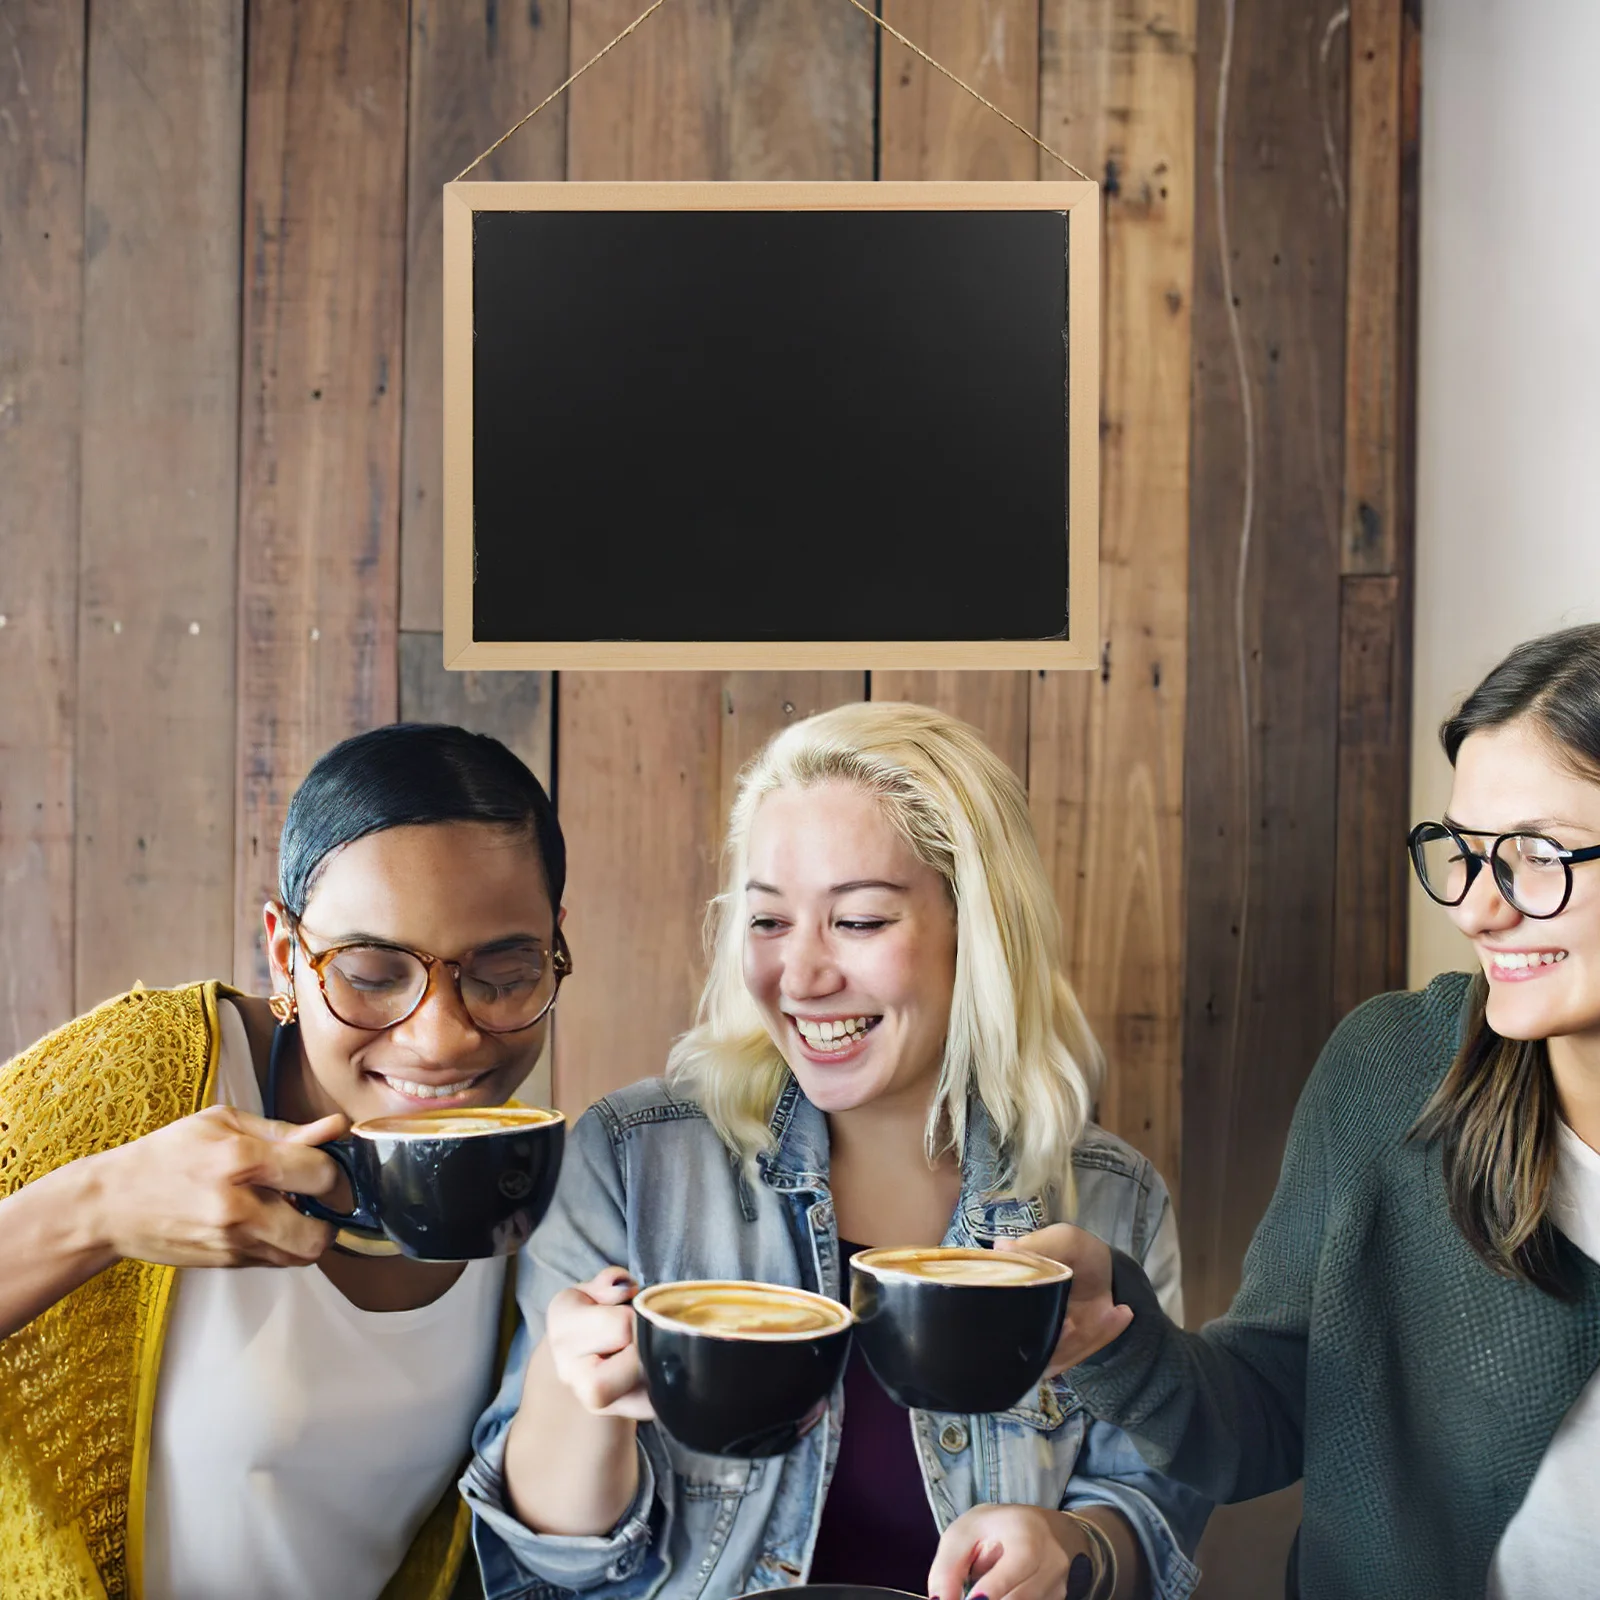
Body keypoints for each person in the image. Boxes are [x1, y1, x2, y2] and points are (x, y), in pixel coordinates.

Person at [464, 702, 1210, 1600]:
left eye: (857, 921)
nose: (802, 976)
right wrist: (573, 1384)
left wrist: (1076, 1543)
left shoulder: (1110, 1196)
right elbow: (553, 1564)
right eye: (770, 922)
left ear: (979, 933)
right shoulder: (632, 1159)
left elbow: (1154, 1507)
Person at [1008, 623, 1600, 1600]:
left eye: (1536, 854)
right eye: (1464, 850)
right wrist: (1110, 1332)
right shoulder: (1393, 1070)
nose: (1475, 911)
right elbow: (1270, 1411)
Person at [0, 723, 569, 1600]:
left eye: (503, 972)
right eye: (374, 973)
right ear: (284, 952)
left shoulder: (534, 1178)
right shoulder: (150, 1072)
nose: (444, 1036)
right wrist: (99, 1208)